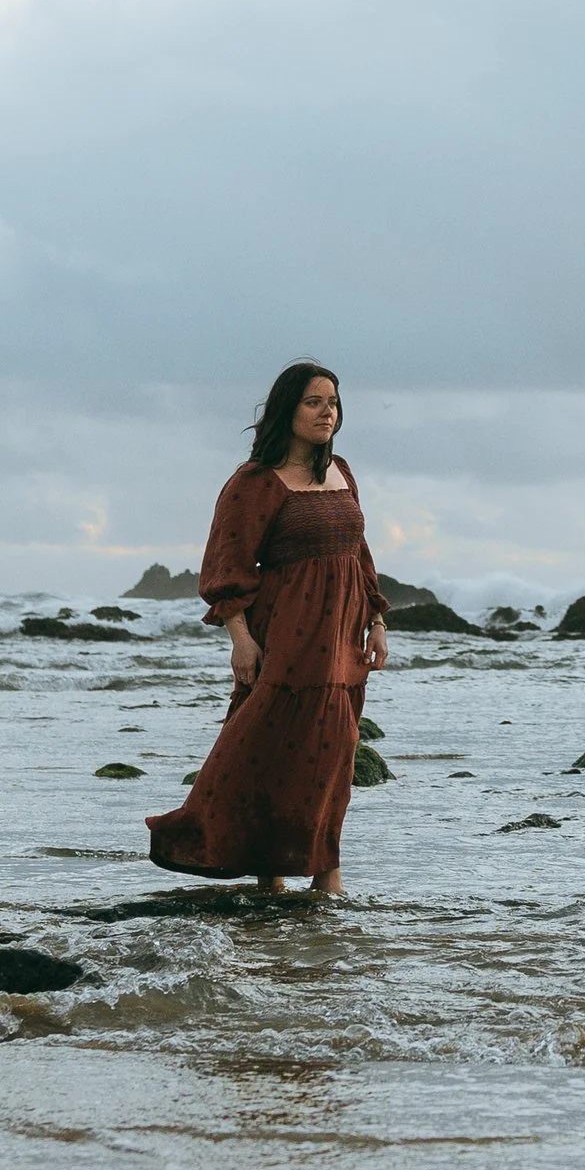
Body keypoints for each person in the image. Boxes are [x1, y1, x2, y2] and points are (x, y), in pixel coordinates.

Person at [147, 361, 390, 894]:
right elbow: (227, 564)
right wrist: (240, 639)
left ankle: (326, 876)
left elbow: (359, 552)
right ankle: (269, 878)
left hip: (342, 639)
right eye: (313, 402)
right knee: (270, 749)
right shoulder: (254, 481)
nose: (327, 413)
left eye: (333, 403)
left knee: (333, 753)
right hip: (286, 635)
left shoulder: (342, 471)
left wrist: (376, 619)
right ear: (287, 410)